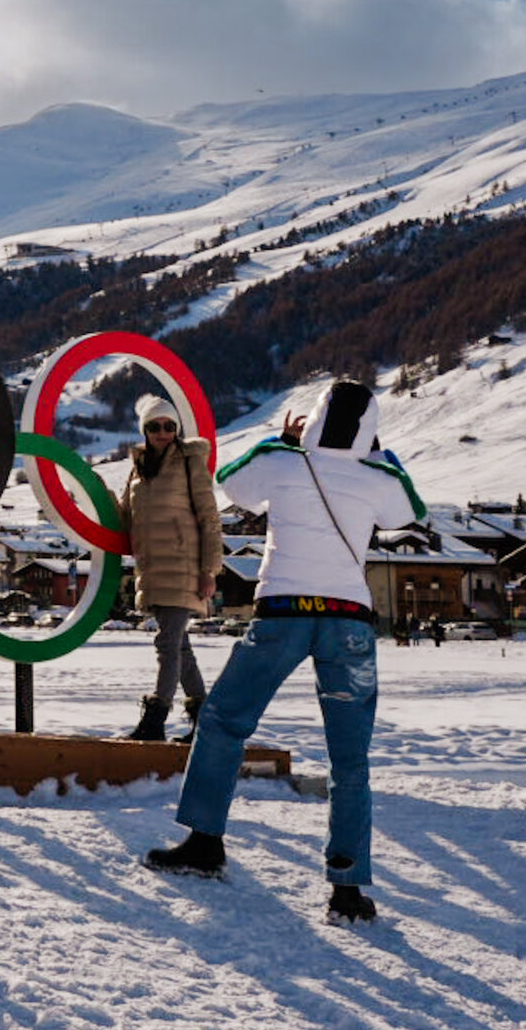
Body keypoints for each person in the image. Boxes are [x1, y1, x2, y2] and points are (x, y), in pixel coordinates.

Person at [144, 378, 426, 923]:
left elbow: (230, 484)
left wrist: (283, 441)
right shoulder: (378, 475)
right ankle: (345, 889)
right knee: (350, 758)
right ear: (369, 428)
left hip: (283, 614)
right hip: (348, 623)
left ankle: (205, 842)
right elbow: (406, 512)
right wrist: (378, 452)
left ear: (315, 418)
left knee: (224, 721)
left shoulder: (284, 460)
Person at [120, 393, 223, 741]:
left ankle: (155, 719)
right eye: (155, 426)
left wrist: (209, 569)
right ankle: (204, 720)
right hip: (152, 569)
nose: (163, 432)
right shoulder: (138, 468)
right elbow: (124, 517)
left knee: (167, 643)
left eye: (169, 426)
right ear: (144, 430)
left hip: (184, 565)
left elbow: (209, 516)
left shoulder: (189, 459)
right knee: (179, 647)